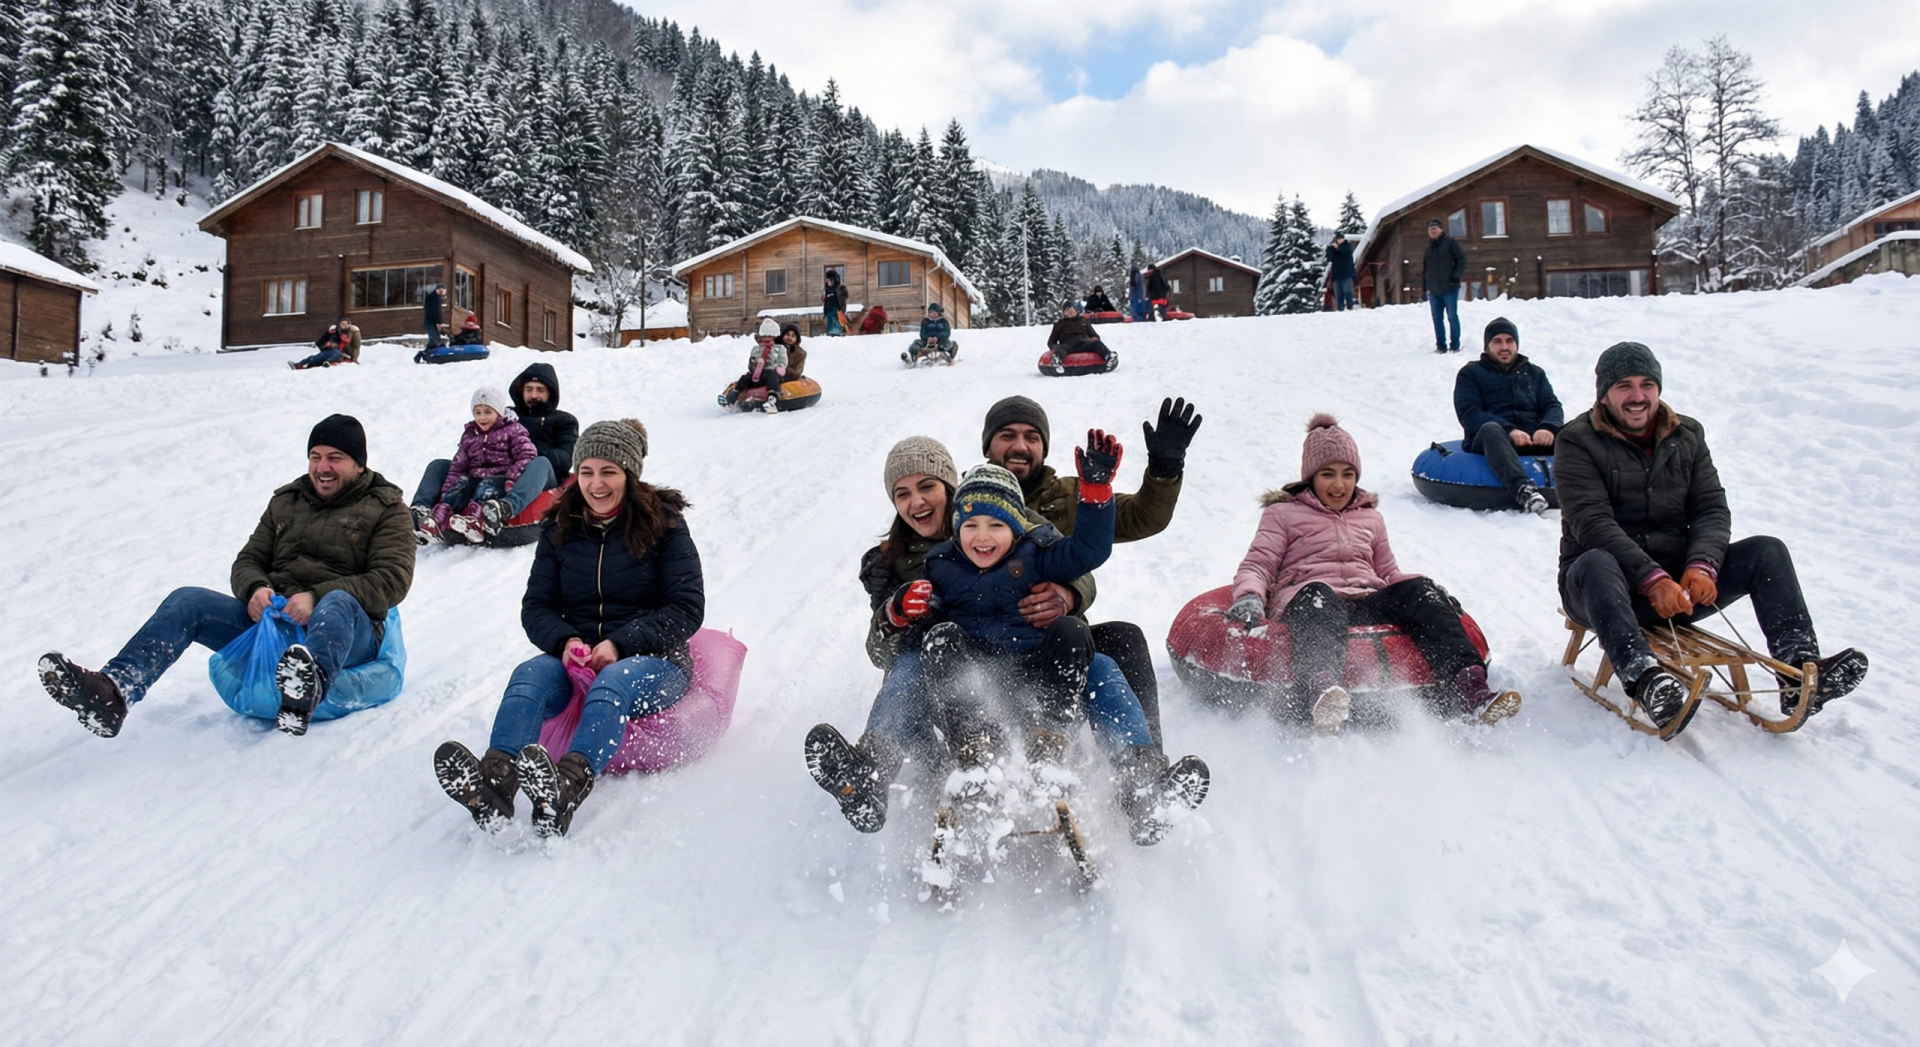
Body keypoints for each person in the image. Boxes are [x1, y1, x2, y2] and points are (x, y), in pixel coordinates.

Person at [38, 415, 415, 738]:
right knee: (188, 600)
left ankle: (305, 691)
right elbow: (249, 558)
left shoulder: (386, 509)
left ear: (359, 465)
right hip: (274, 622)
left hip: (346, 633)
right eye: (315, 457)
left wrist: (316, 597)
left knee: (337, 602)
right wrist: (254, 588)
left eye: (336, 458)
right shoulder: (286, 501)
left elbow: (392, 579)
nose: (322, 467)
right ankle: (115, 691)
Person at [1556, 343, 1868, 729]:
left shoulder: (1686, 435)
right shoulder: (1576, 441)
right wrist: (1650, 577)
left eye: (1647, 384)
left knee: (1766, 551)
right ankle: (1645, 679)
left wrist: (1702, 565)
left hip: (1679, 591)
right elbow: (1592, 523)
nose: (1638, 396)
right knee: (1596, 561)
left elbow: (1711, 508)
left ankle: (1798, 670)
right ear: (1604, 393)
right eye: (1625, 386)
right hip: (1600, 589)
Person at [433, 420, 704, 837]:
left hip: (655, 659)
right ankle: (495, 782)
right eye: (587, 472)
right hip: (579, 655)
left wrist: (620, 642)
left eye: (608, 472)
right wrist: (565, 640)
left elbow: (687, 608)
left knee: (614, 682)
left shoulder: (663, 525)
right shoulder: (560, 526)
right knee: (529, 675)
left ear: (630, 475)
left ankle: (565, 788)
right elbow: (536, 605)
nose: (596, 484)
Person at [1226, 414, 1521, 731]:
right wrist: (1249, 597)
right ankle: (1323, 691)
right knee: (1317, 596)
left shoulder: (1370, 518)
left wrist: (1431, 593)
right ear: (1310, 477)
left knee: (1420, 588)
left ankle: (1470, 689)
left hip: (1366, 600)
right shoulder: (1282, 514)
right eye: (1328, 474)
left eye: (1348, 474)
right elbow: (1259, 563)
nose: (1339, 484)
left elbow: (1388, 571)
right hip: (1312, 601)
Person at [981, 395, 1201, 747]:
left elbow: (1141, 518)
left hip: (1062, 640)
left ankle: (1144, 762)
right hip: (989, 641)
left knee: (1123, 638)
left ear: (1043, 448)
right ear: (987, 446)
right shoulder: (967, 501)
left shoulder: (1070, 495)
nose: (1020, 446)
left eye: (1032, 437)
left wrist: (1165, 467)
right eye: (1007, 435)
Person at [410, 387, 547, 544]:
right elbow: (457, 466)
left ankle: (476, 522)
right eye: (478, 412)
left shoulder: (513, 430)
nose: (482, 417)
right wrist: (446, 491)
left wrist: (512, 478)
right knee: (458, 488)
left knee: (484, 489)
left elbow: (526, 456)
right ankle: (437, 521)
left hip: (500, 477)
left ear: (499, 412)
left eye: (488, 412)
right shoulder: (470, 434)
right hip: (474, 477)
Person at [1453, 316, 1562, 514]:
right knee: (1491, 429)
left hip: (1533, 437)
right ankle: (1523, 489)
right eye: (1497, 341)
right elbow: (1469, 413)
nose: (1504, 347)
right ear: (1487, 346)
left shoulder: (1534, 373)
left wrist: (1547, 427)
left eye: (1509, 341)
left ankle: (1598, 480)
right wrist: (1509, 430)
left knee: (1578, 428)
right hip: (1492, 439)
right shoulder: (1471, 374)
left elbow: (1552, 405)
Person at [509, 362, 577, 489]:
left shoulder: (565, 421)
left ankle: (509, 506)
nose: (534, 395)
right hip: (507, 473)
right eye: (529, 389)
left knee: (541, 464)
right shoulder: (508, 416)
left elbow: (566, 458)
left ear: (549, 393)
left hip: (544, 478)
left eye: (540, 390)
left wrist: (528, 453)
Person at [718, 318, 789, 412]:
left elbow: (783, 360)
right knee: (745, 377)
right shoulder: (757, 349)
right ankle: (731, 399)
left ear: (774, 336)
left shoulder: (779, 348)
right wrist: (752, 364)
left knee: (772, 377)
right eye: (765, 336)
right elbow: (751, 364)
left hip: (772, 373)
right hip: (758, 374)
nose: (767, 338)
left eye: (770, 336)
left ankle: (772, 400)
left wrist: (781, 368)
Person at [1423, 218, 1467, 353]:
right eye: (1430, 230)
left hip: (1450, 288)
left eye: (1435, 229)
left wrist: (1456, 276)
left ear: (1441, 229)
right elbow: (1425, 269)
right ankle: (1441, 346)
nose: (1433, 231)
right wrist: (1424, 287)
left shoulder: (1451, 243)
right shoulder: (1428, 250)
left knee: (1452, 316)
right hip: (1434, 290)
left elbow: (1462, 260)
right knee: (1437, 319)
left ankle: (1455, 345)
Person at [1045, 301, 1111, 372]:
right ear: (1064, 313)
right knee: (1061, 348)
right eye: (1067, 310)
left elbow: (1094, 335)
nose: (1071, 311)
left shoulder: (1083, 321)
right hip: (1068, 346)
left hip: (1083, 344)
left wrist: (1094, 338)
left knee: (1097, 343)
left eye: (1072, 309)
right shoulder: (1059, 324)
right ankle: (1057, 361)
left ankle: (1109, 357)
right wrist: (1055, 347)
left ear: (1076, 310)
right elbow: (1051, 341)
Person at [1327, 233, 1358, 312]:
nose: (1340, 241)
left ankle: (1350, 307)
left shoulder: (1347, 246)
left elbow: (1344, 252)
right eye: (1338, 239)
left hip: (1347, 273)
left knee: (1347, 291)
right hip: (1337, 274)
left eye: (1341, 239)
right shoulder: (1333, 248)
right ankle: (1340, 309)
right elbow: (1329, 258)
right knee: (1338, 293)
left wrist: (1338, 247)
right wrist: (1331, 248)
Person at [822, 270, 848, 336]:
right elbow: (825, 299)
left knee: (836, 322)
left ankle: (836, 333)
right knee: (830, 322)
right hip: (828, 310)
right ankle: (830, 334)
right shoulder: (826, 289)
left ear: (835, 280)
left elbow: (845, 297)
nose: (829, 282)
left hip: (837, 309)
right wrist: (824, 298)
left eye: (831, 280)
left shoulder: (839, 288)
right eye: (828, 280)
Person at [423, 283, 445, 350]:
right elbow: (437, 311)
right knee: (437, 340)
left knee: (432, 342)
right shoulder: (435, 298)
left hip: (430, 322)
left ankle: (423, 355)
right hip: (431, 323)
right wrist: (439, 321)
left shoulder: (431, 297)